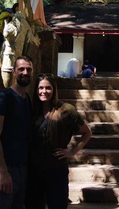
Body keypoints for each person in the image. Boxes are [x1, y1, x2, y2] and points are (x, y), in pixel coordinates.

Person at [26, 74, 91, 209]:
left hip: (56, 169)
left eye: (48, 88)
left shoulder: (67, 110)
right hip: (34, 169)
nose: (44, 91)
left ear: (54, 90)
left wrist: (72, 151)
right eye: (41, 88)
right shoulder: (32, 110)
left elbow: (86, 133)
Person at [0, 55, 33, 209]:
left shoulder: (27, 99)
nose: (25, 72)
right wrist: (3, 172)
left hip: (22, 169)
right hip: (3, 169)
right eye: (21, 69)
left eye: (28, 69)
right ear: (14, 72)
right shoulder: (2, 98)